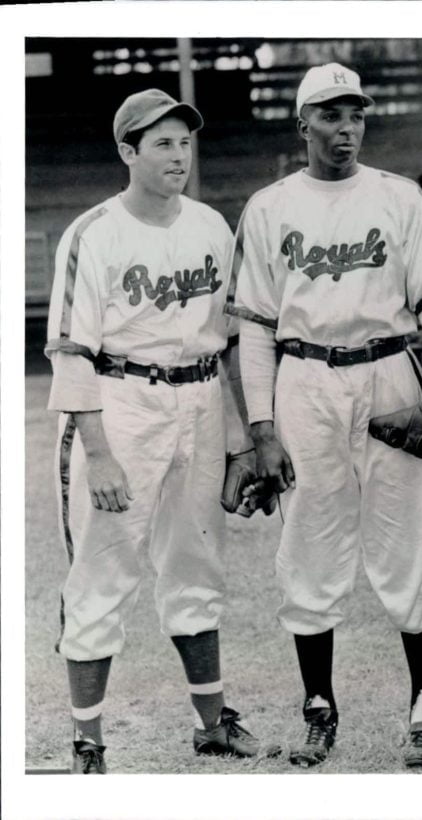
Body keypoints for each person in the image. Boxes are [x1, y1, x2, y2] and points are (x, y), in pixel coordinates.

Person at [226, 63, 422, 769]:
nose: (345, 129)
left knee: (406, 539)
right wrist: (263, 429)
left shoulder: (397, 196)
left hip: (390, 371)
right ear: (303, 124)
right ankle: (319, 706)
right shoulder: (270, 207)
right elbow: (256, 328)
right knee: (308, 540)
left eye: (356, 115)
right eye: (330, 116)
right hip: (305, 378)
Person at [44, 88, 268, 774]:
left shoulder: (209, 226)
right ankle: (89, 742)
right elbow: (70, 350)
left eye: (184, 141)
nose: (178, 154)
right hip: (123, 401)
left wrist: (239, 441)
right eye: (161, 142)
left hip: (199, 401)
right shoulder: (94, 232)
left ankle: (211, 725)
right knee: (102, 573)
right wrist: (100, 454)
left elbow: (227, 344)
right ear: (127, 152)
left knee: (196, 565)